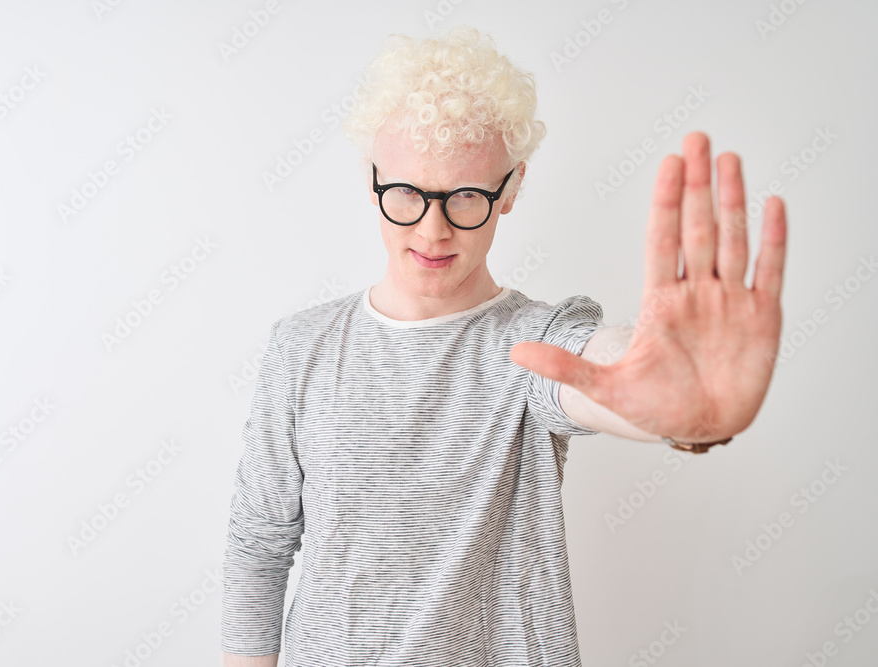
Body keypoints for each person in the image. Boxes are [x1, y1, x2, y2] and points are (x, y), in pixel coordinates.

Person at [220, 26, 786, 667]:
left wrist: (675, 397)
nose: (432, 231)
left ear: (510, 188)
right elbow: (258, 547)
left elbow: (596, 374)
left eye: (465, 196)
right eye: (406, 192)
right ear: (373, 179)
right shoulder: (302, 347)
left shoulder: (535, 342)